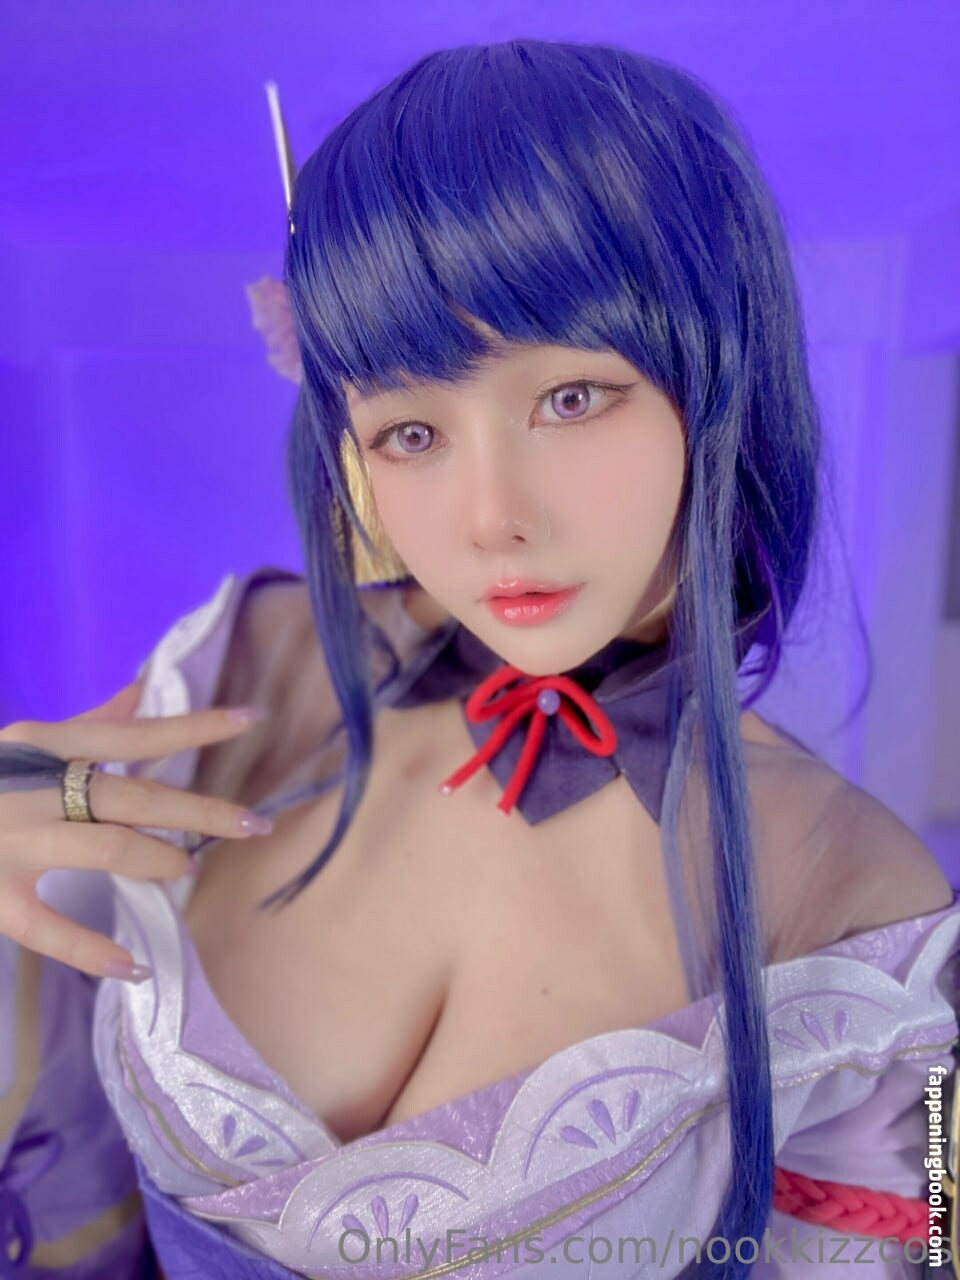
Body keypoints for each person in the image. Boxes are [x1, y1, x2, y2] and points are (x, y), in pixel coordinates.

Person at [1, 37, 958, 1280]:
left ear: (720, 379)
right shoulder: (246, 667)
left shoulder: (866, 897)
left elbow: (937, 1232)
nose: (491, 517)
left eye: (571, 398)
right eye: (412, 430)